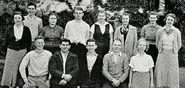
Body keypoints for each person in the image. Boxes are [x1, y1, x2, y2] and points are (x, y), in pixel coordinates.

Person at [1, 11, 32, 88]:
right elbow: (5, 41)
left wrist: (28, 52)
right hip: (11, 51)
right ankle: (8, 84)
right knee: (9, 68)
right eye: (15, 18)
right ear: (13, 19)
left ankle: (18, 84)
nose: (17, 19)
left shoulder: (26, 29)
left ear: (22, 19)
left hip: (22, 52)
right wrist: (4, 51)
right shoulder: (9, 29)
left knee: (20, 68)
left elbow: (29, 42)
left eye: (19, 18)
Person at [154, 13, 182, 88]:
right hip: (162, 53)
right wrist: (161, 49)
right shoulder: (160, 30)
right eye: (168, 19)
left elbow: (179, 44)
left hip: (172, 53)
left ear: (174, 21)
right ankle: (160, 85)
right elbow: (157, 42)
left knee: (172, 71)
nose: (169, 21)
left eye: (171, 20)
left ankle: (172, 85)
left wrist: (174, 51)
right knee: (160, 69)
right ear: (165, 20)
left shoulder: (176, 31)